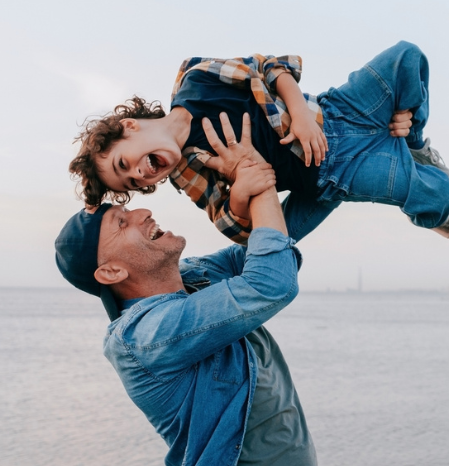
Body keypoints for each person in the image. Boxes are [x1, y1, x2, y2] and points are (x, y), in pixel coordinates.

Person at [55, 120, 316, 465]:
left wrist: (354, 148)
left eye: (129, 210)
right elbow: (271, 282)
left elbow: (275, 240)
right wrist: (258, 180)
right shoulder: (142, 337)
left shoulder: (194, 276)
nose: (144, 212)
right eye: (122, 223)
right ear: (111, 272)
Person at [69, 41, 449, 244]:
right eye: (133, 184)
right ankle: (434, 214)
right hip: (331, 172)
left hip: (334, 111)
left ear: (130, 127)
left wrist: (299, 113)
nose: (140, 176)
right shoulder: (188, 171)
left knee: (407, 57)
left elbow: (266, 67)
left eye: (126, 165)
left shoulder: (195, 79)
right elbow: (231, 224)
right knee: (432, 191)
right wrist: (240, 187)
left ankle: (414, 142)